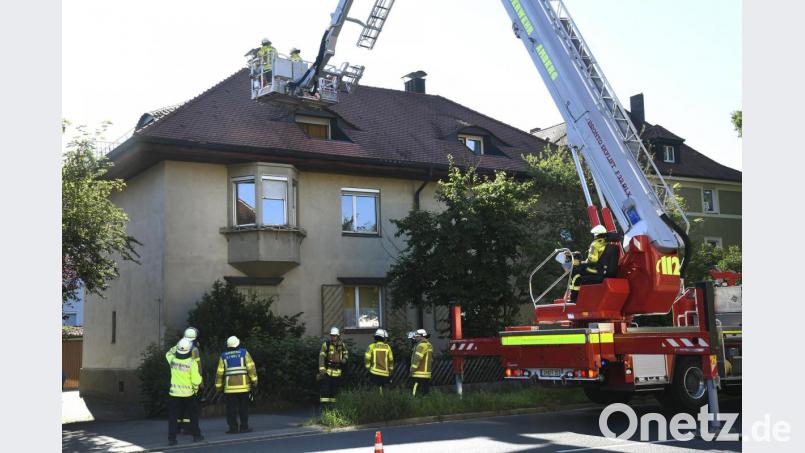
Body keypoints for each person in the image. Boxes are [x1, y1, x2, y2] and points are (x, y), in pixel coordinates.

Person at [215, 336, 258, 434]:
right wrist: (254, 381)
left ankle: (233, 429)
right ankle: (244, 427)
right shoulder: (244, 353)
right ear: (238, 343)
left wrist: (218, 386)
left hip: (230, 389)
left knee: (231, 410)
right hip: (244, 387)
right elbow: (251, 368)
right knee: (243, 408)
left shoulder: (224, 356)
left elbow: (219, 373)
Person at [166, 338, 204, 446]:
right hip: (188, 394)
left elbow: (168, 353)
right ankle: (196, 436)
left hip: (174, 394)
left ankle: (172, 439)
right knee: (193, 416)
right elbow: (196, 380)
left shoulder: (172, 360)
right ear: (189, 350)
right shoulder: (192, 363)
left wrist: (178, 345)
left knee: (173, 417)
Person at [569, 225, 609, 302]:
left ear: (596, 235)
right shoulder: (607, 243)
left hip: (596, 270)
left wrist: (581, 263)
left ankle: (574, 298)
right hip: (603, 269)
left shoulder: (595, 244)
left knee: (575, 272)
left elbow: (592, 260)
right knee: (580, 267)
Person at [177, 327, 202, 434]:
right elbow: (198, 366)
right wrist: (200, 381)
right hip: (189, 382)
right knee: (191, 407)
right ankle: (189, 429)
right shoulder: (194, 349)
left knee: (180, 406)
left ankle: (178, 428)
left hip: (177, 381)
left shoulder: (177, 347)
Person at [318, 327, 348, 407]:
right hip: (327, 372)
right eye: (332, 335)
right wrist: (322, 370)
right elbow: (321, 358)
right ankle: (324, 407)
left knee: (334, 391)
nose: (333, 337)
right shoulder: (326, 345)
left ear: (338, 336)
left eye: (334, 335)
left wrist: (344, 359)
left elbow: (346, 353)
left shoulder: (342, 345)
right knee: (325, 391)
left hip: (337, 373)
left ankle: (333, 407)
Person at [409, 329, 433, 397]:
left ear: (421, 336)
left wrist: (412, 370)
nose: (415, 338)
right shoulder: (429, 345)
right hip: (427, 374)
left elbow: (417, 359)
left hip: (418, 373)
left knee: (415, 393)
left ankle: (414, 402)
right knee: (425, 393)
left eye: (417, 336)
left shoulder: (421, 346)